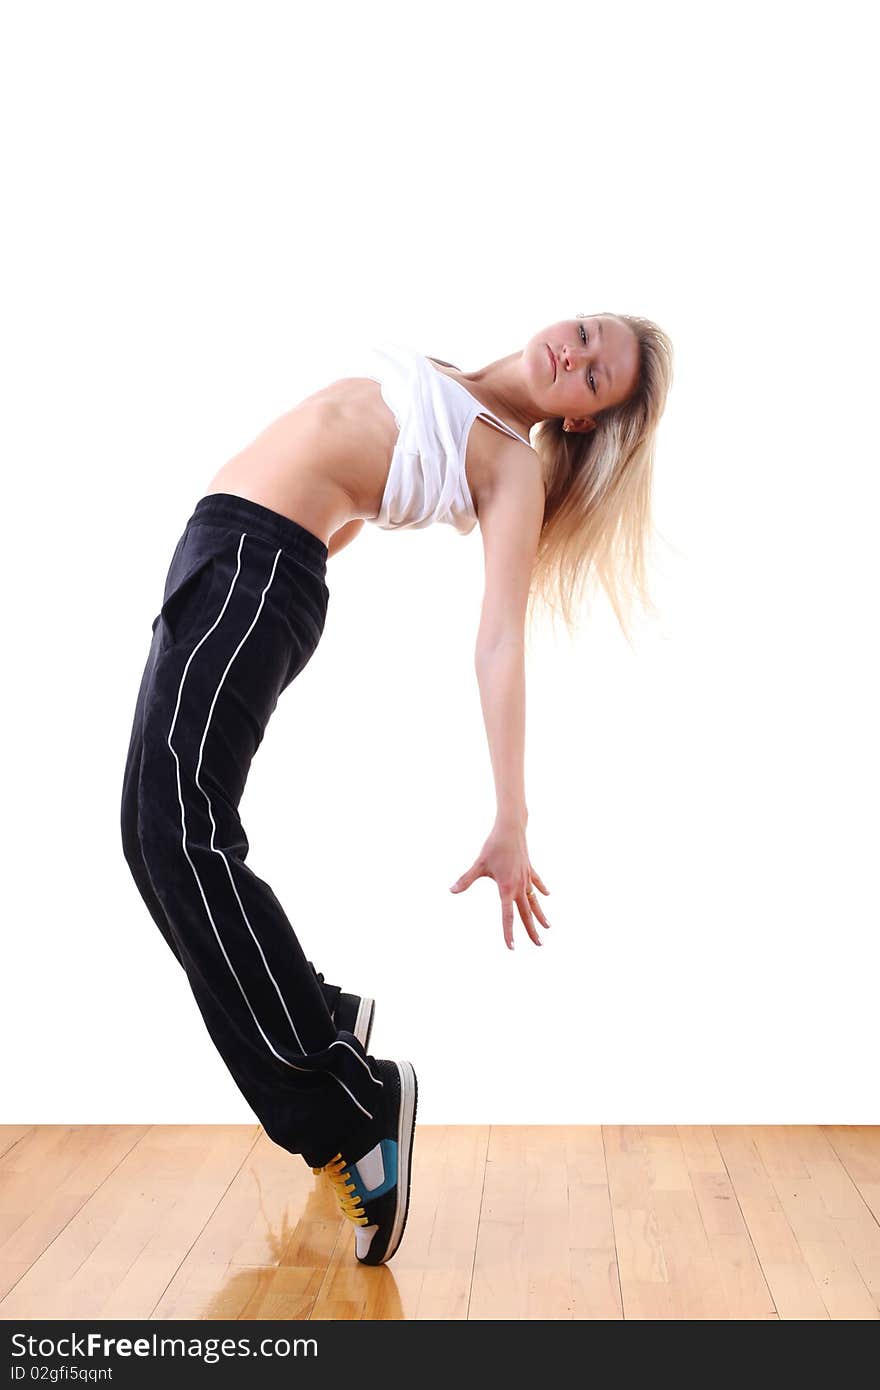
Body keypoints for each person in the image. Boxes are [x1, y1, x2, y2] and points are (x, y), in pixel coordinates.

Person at [120, 313, 674, 1266]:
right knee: (157, 832)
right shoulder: (460, 380)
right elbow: (354, 495)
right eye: (584, 336)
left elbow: (500, 639)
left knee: (175, 835)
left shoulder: (512, 466)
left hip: (256, 567)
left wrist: (513, 815)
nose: (573, 357)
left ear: (582, 422)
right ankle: (321, 1015)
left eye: (593, 379)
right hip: (228, 558)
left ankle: (355, 1109)